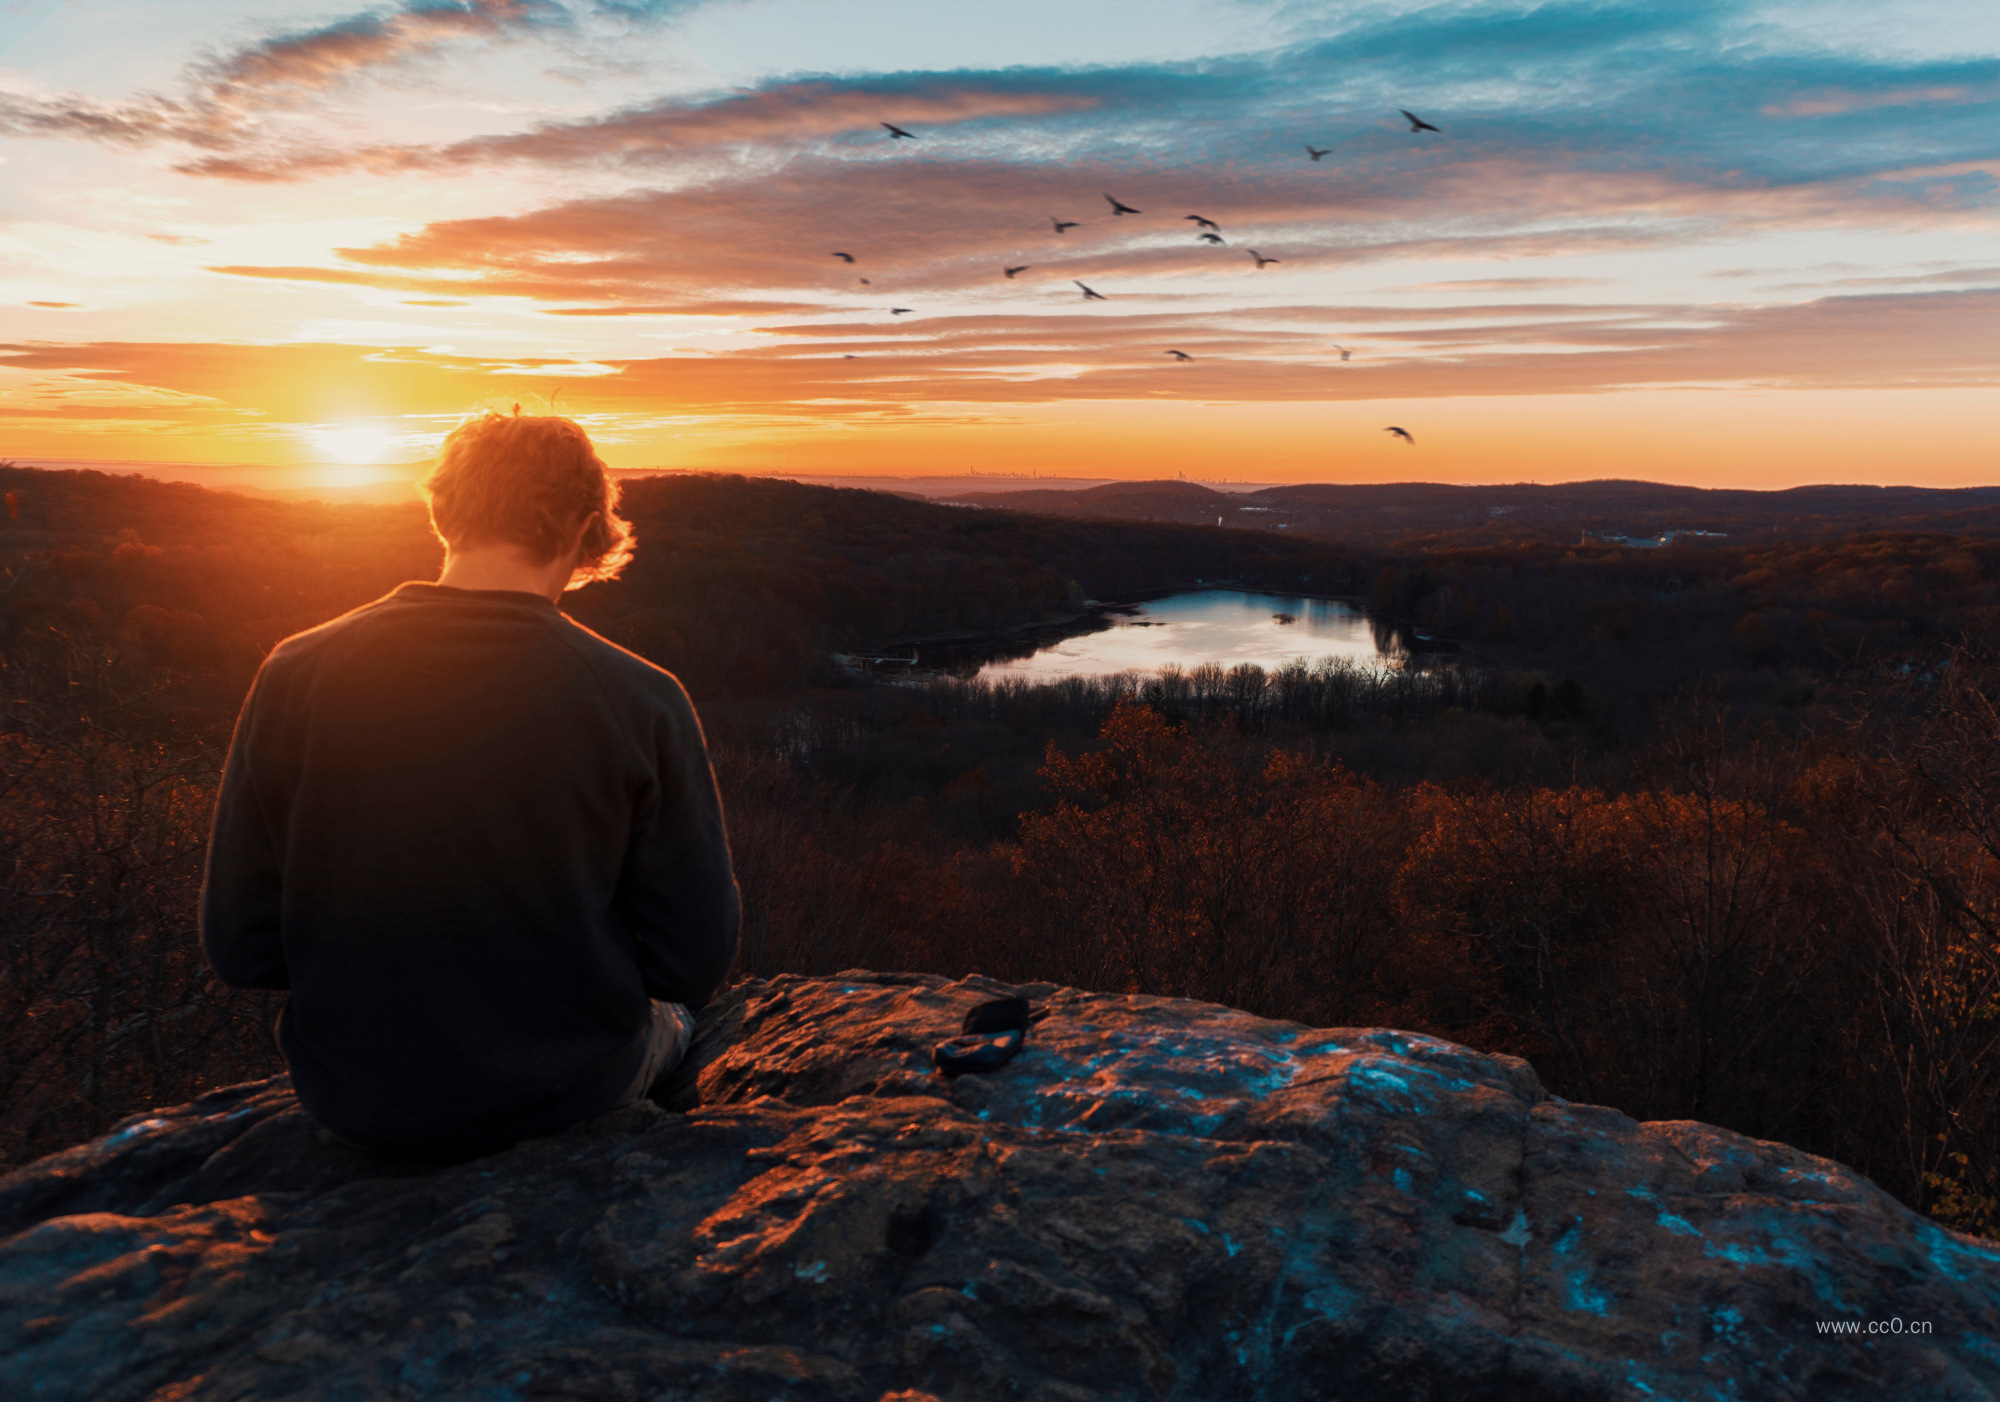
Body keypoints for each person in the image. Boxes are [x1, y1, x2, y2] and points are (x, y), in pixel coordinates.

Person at [201, 411, 739, 1162]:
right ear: (588, 528)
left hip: (357, 1098)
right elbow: (693, 960)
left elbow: (240, 946)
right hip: (569, 1091)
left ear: (441, 510)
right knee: (675, 1021)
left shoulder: (296, 671)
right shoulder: (642, 698)